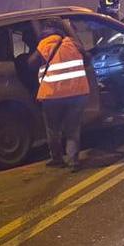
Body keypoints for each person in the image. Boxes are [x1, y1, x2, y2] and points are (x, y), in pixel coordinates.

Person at [30, 19, 91, 170]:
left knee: (53, 129)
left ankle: (57, 158)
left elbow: (30, 64)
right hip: (77, 93)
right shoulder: (72, 43)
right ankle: (73, 161)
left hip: (52, 95)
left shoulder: (44, 45)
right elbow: (88, 59)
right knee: (73, 129)